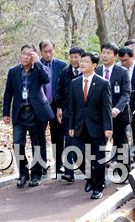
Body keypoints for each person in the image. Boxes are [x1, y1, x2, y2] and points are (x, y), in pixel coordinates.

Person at [3, 44, 54, 188]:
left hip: (36, 113)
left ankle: (36, 174)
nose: (25, 57)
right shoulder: (13, 72)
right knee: (18, 144)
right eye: (23, 54)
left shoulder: (38, 69)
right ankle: (23, 173)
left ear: (34, 55)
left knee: (37, 145)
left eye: (29, 54)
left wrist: (37, 62)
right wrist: (6, 113)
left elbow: (46, 79)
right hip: (20, 113)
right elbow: (8, 93)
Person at [68, 52, 112, 199]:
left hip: (97, 127)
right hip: (79, 126)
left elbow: (106, 107)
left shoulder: (103, 83)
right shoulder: (74, 83)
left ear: (94, 65)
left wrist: (108, 128)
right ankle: (91, 177)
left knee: (98, 158)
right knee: (76, 155)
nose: (82, 64)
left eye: (86, 62)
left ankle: (98, 187)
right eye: (81, 61)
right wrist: (71, 126)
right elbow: (72, 107)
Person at [95, 43, 131, 175]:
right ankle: (97, 174)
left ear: (115, 56)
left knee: (121, 143)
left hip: (118, 116)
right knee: (99, 144)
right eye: (103, 52)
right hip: (100, 116)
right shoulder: (96, 71)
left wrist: (117, 108)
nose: (105, 55)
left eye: (108, 53)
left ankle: (125, 173)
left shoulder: (122, 72)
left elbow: (126, 93)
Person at [54, 46, 84, 182]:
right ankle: (68, 172)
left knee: (83, 142)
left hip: (84, 112)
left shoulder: (86, 71)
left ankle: (88, 169)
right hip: (68, 112)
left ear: (81, 58)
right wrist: (59, 107)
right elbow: (58, 91)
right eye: (71, 57)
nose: (73, 59)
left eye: (76, 57)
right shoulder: (65, 72)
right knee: (68, 141)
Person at [39, 40, 67, 174]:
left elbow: (64, 87)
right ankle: (41, 164)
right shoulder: (35, 65)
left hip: (57, 106)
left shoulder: (61, 65)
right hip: (41, 106)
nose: (48, 54)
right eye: (45, 52)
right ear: (41, 52)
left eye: (51, 51)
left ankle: (59, 163)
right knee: (39, 136)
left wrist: (61, 106)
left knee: (58, 136)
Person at [118, 46, 135, 161]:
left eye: (126, 60)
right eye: (121, 60)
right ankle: (122, 158)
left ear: (132, 57)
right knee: (122, 135)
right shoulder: (117, 69)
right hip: (121, 107)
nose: (123, 63)